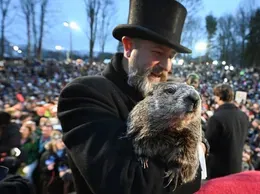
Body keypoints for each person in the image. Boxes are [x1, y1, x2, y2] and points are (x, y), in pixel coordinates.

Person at [58, 0, 206, 193]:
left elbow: (199, 137)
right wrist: (197, 153)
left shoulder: (166, 90)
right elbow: (129, 185)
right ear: (128, 47)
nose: (167, 66)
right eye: (157, 52)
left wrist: (198, 149)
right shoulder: (84, 94)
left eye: (171, 56)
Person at [206, 84, 250, 178]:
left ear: (218, 97)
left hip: (218, 170)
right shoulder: (243, 116)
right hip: (236, 168)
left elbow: (209, 144)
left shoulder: (216, 118)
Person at [39, 130, 73, 194]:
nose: (63, 144)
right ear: (54, 142)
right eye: (60, 142)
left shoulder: (66, 152)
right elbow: (41, 169)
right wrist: (48, 168)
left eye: (64, 142)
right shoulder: (47, 154)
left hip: (63, 181)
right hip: (50, 181)